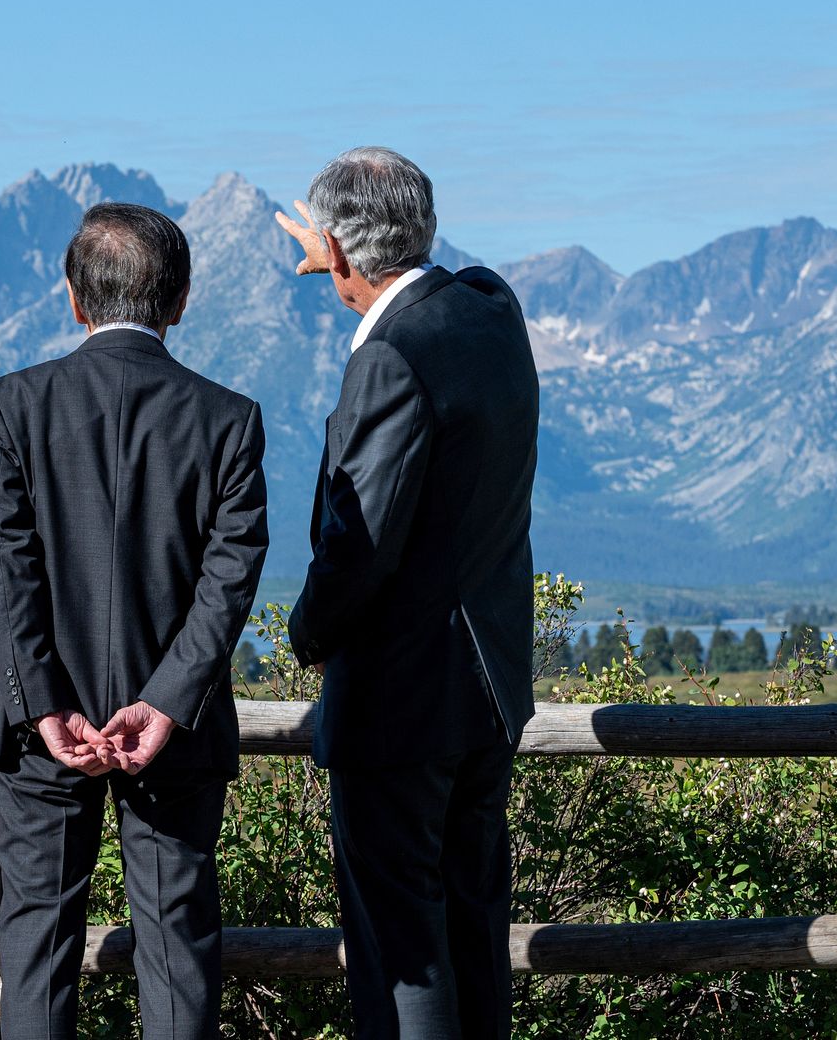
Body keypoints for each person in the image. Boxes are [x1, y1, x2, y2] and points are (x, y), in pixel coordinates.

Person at [0, 202, 270, 1040]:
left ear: (73, 298)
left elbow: (8, 574)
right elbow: (229, 578)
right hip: (175, 733)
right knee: (177, 947)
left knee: (37, 942)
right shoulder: (229, 419)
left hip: (40, 733)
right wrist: (167, 702)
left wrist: (46, 704)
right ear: (179, 302)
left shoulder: (8, 406)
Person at [275, 147, 539, 1039]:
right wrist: (344, 251)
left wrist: (304, 633)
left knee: (402, 948)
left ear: (343, 255)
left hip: (400, 698)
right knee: (474, 926)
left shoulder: (391, 354)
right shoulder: (491, 315)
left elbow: (361, 541)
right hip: (489, 685)